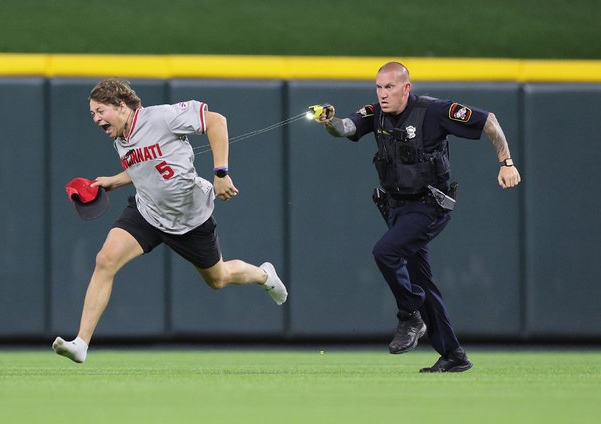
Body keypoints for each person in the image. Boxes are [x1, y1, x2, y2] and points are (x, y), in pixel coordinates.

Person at [53, 78, 288, 363]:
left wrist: (221, 172)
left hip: (189, 219)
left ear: (122, 106)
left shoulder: (162, 117)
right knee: (105, 260)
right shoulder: (121, 140)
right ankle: (81, 343)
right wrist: (114, 181)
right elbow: (145, 169)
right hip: (147, 213)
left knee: (219, 278)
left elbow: (217, 121)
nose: (96, 118)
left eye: (100, 110)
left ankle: (264, 275)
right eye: (92, 113)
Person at [312, 61, 521, 372]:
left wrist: (506, 162)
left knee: (385, 252)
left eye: (390, 87)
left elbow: (488, 120)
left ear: (406, 88)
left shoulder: (433, 111)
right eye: (379, 87)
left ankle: (410, 315)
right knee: (421, 281)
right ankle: (453, 355)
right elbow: (346, 128)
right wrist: (329, 121)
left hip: (429, 205)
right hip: (396, 207)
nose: (383, 94)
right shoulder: (377, 112)